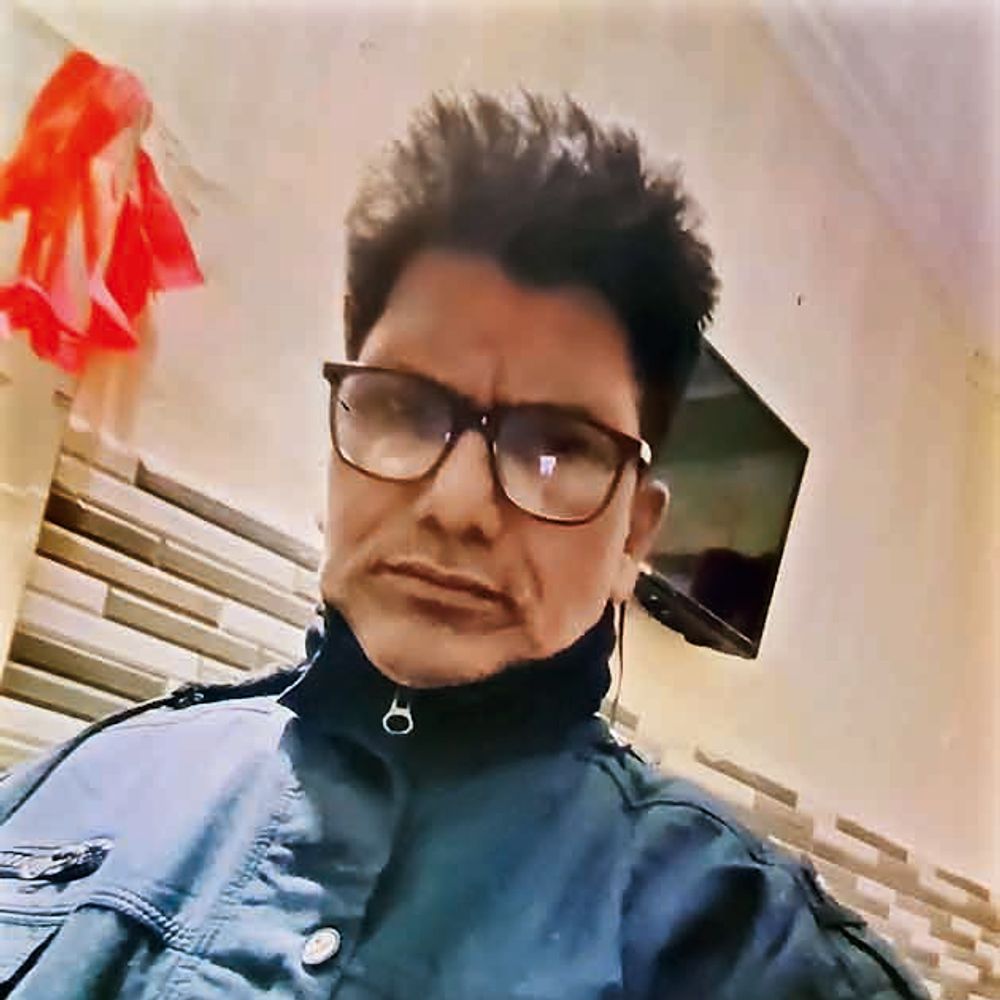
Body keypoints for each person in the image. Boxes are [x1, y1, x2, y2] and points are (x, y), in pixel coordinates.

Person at [0, 92, 927, 999]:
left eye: (556, 447)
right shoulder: (79, 784)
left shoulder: (747, 952)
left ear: (635, 535)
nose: (458, 506)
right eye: (405, 409)